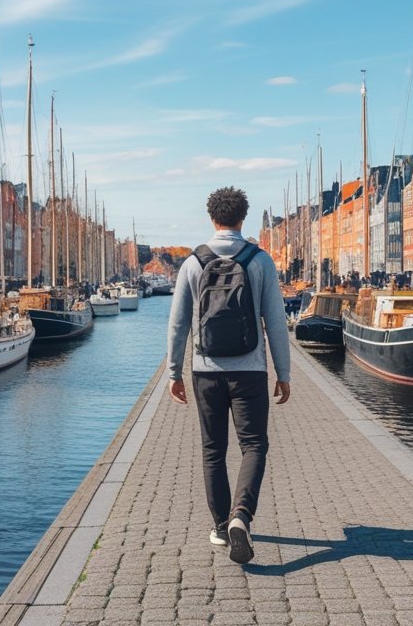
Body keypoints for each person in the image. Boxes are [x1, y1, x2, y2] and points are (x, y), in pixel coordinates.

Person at [167, 186, 290, 566]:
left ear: (212, 218)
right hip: (251, 369)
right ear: (242, 219)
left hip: (205, 370)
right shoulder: (259, 261)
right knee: (254, 445)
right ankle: (242, 516)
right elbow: (276, 323)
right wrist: (282, 373)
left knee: (212, 449)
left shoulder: (192, 263)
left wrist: (174, 372)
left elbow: (178, 323)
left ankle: (221, 526)